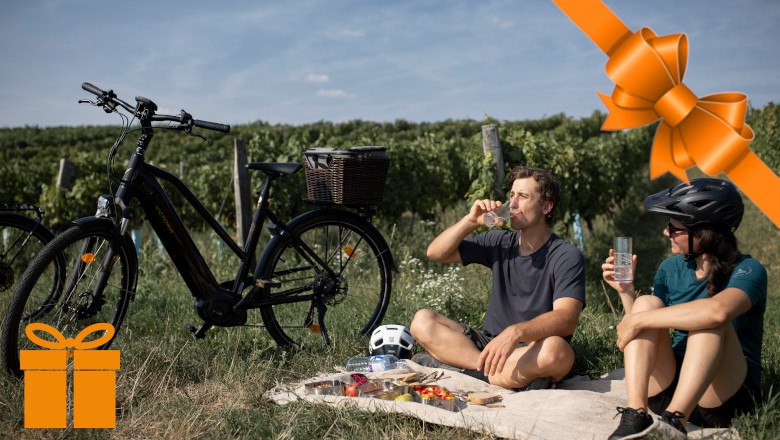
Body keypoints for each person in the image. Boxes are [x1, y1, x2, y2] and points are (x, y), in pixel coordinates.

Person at [602, 178, 767, 439]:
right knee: (646, 304)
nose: (666, 233)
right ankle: (636, 414)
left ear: (705, 232)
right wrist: (627, 294)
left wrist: (639, 321)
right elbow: (644, 330)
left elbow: (717, 312)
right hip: (670, 386)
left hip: (724, 396)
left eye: (674, 227)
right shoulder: (670, 268)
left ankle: (673, 426)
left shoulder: (748, 269)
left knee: (709, 320)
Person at [409, 165, 586, 390]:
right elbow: (435, 253)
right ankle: (491, 373)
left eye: (523, 196)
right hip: (488, 346)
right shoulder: (498, 241)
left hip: (531, 348)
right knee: (422, 321)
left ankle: (464, 368)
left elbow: (567, 319)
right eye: (512, 195)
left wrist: (515, 332)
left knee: (557, 352)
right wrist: (470, 221)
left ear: (547, 206)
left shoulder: (566, 255)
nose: (512, 204)